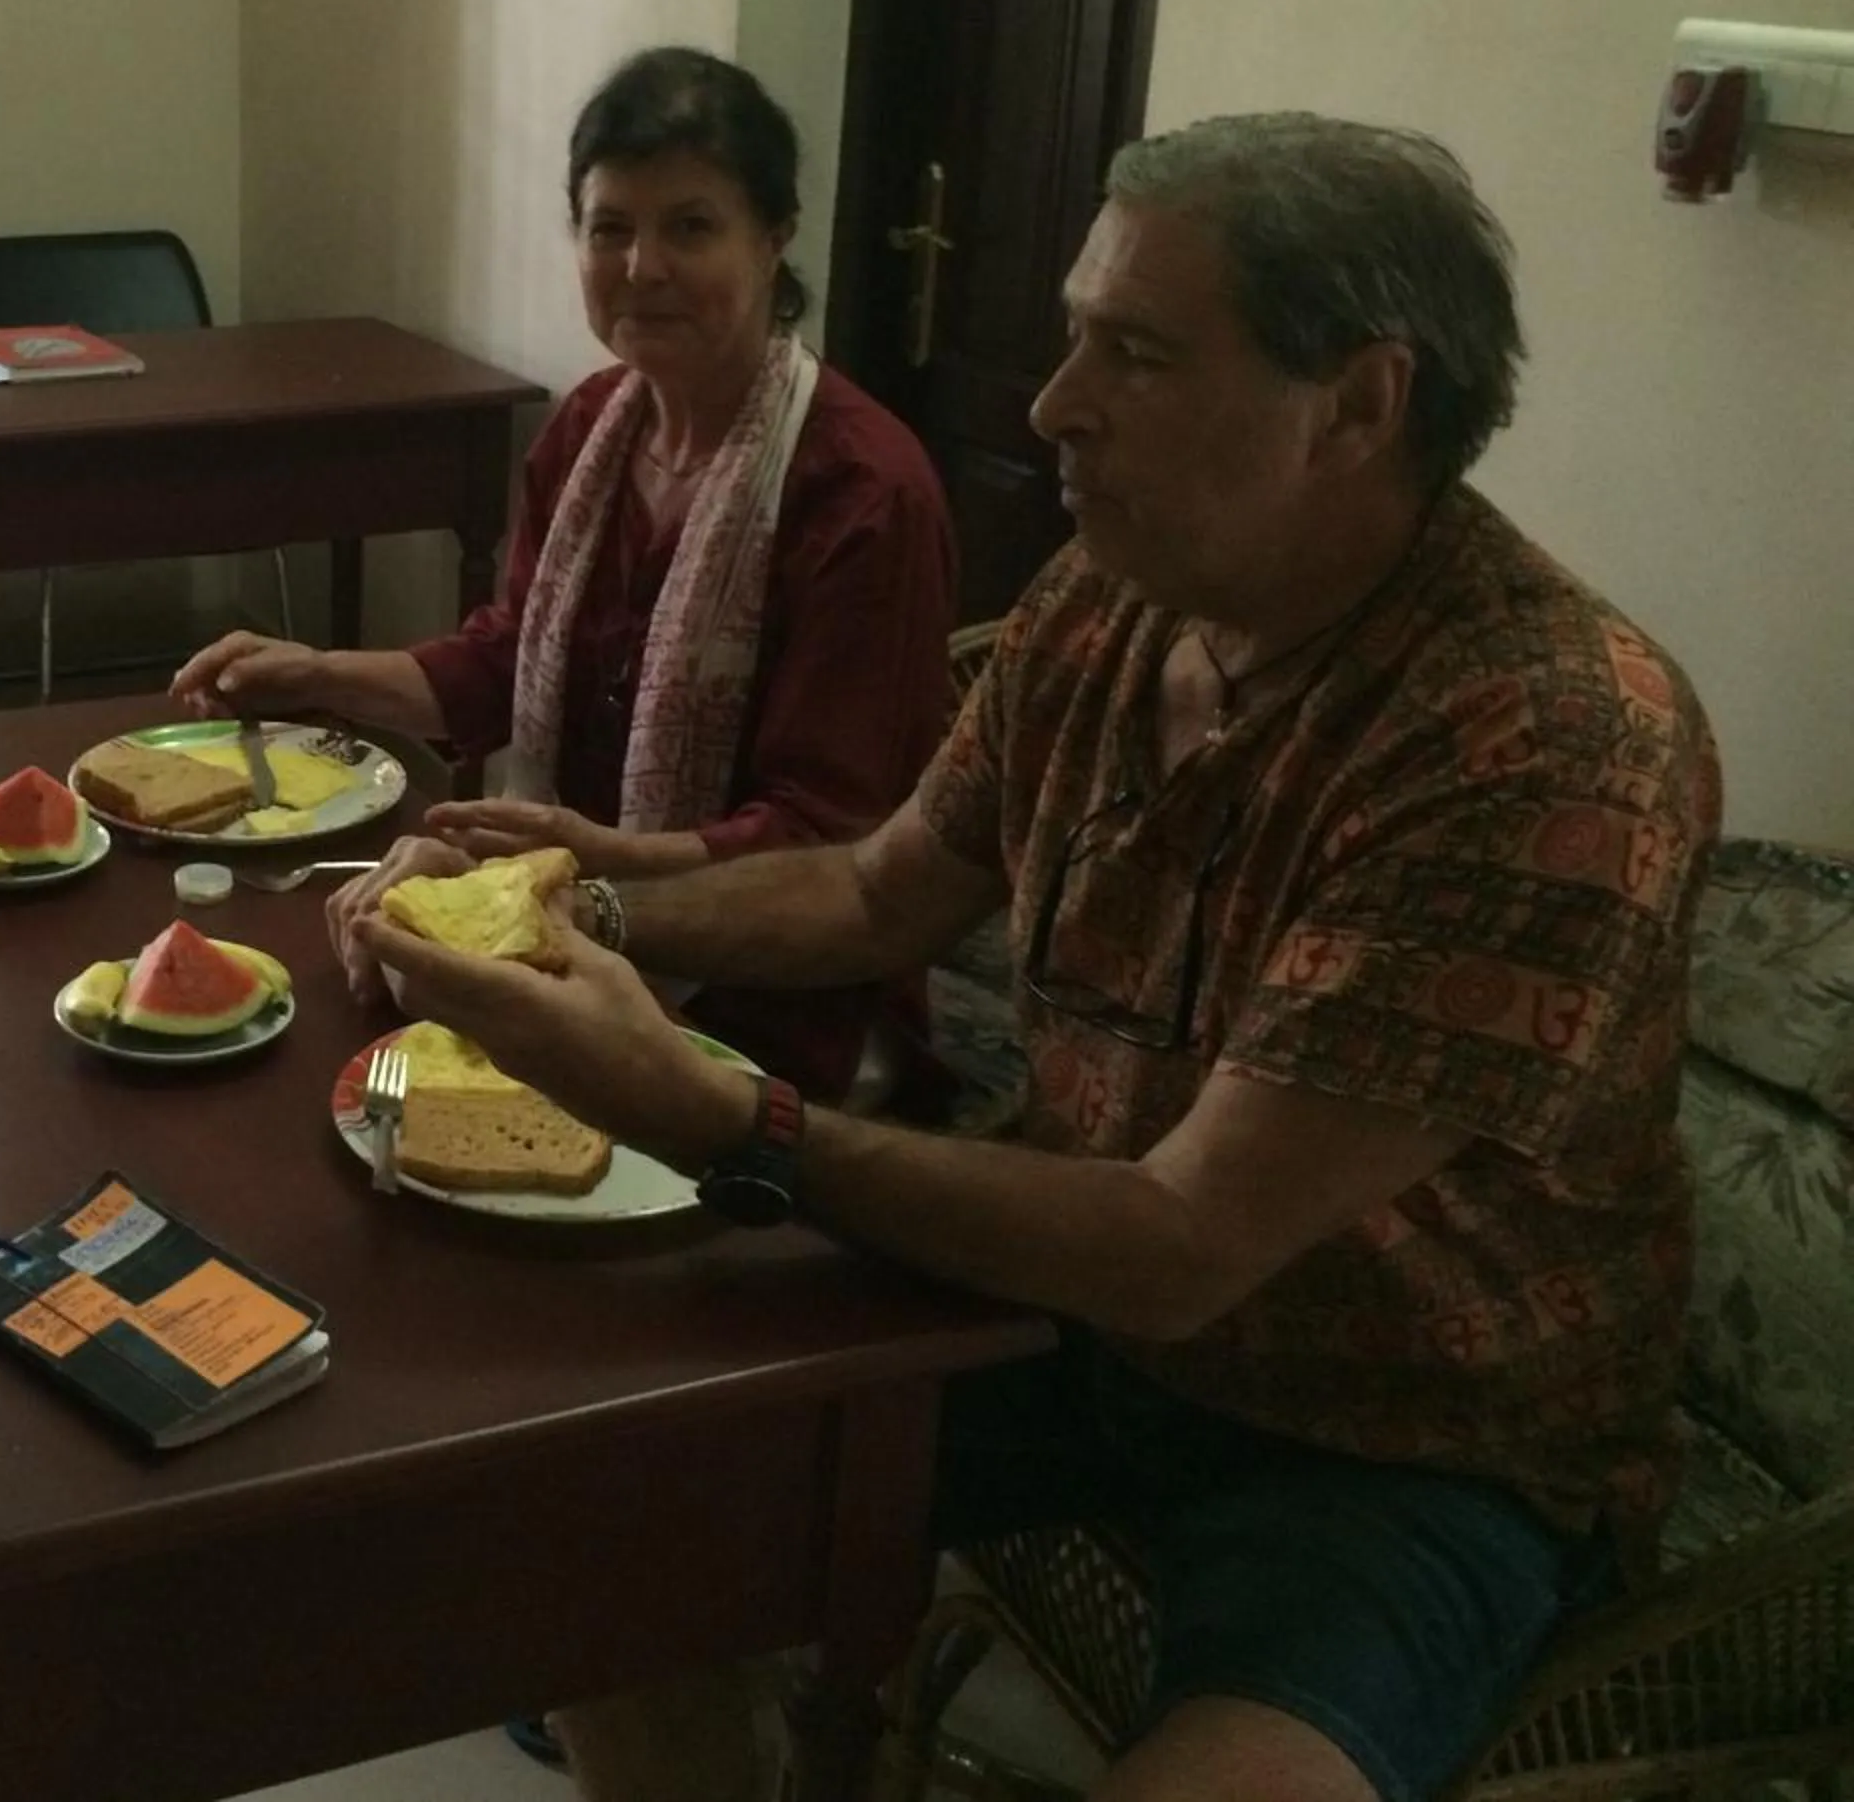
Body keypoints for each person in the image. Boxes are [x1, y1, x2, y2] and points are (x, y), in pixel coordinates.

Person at [348, 114, 1721, 1802]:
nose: (1052, 405)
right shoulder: (1109, 602)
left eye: (1132, 354)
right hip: (1078, 1316)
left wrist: (720, 1117)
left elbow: (1184, 1243)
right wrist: (581, 910)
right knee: (591, 1520)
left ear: (1361, 404)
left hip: (1406, 1440)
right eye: (1075, 335)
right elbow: (874, 894)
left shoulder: (1544, 743)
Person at [174, 47, 958, 1107]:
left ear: (774, 241)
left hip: (769, 1001)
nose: (642, 267)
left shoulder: (862, 490)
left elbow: (834, 838)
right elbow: (510, 654)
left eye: (691, 226)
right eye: (610, 228)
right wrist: (315, 674)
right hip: (561, 916)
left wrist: (592, 868)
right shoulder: (591, 427)